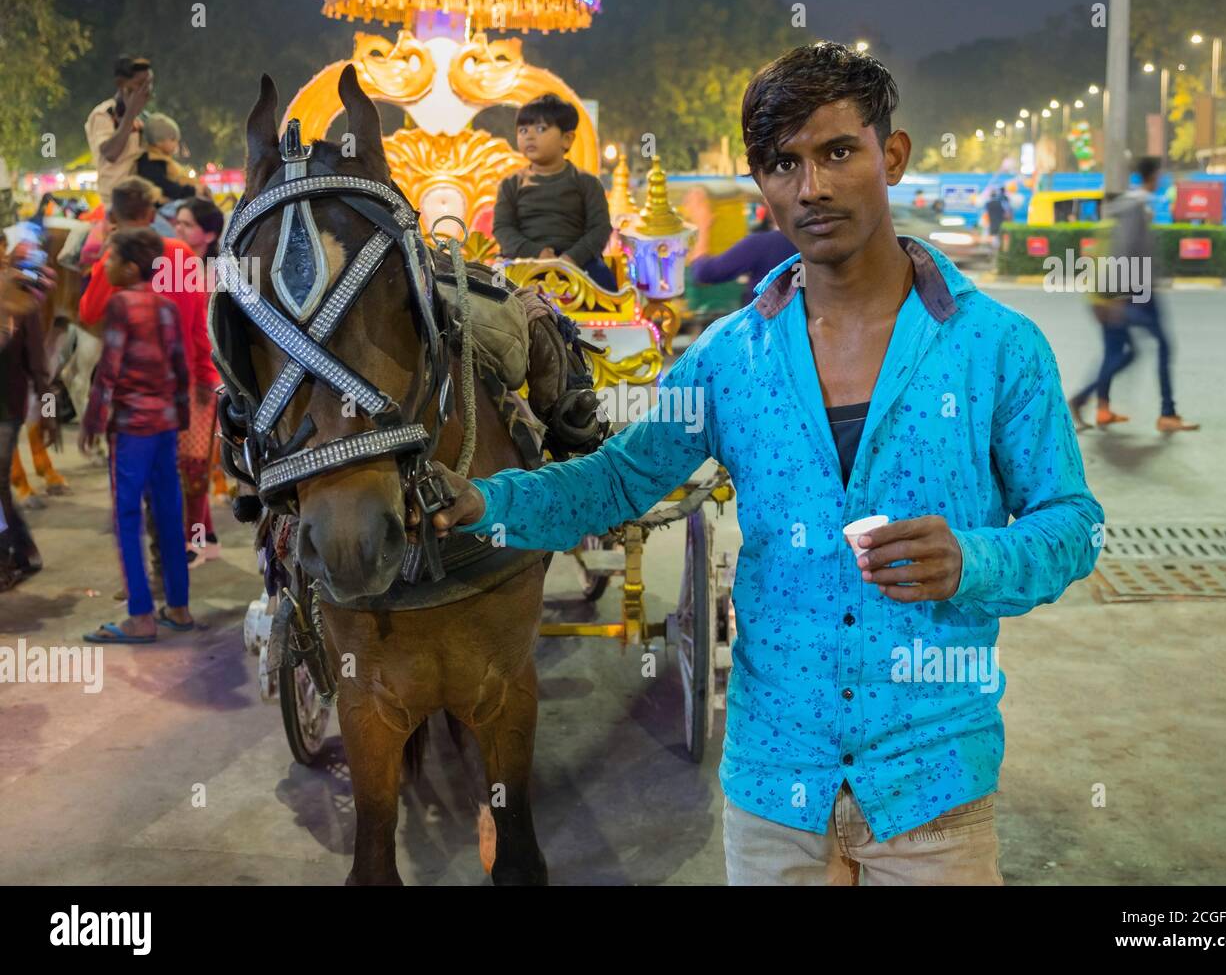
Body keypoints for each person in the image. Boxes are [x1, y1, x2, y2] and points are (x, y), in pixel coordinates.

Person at [430, 43, 1103, 885]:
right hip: (775, 789)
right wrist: (482, 503)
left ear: (891, 156)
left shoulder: (998, 349)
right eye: (783, 164)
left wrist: (975, 558)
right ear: (762, 187)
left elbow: (1072, 525)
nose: (811, 186)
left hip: (934, 786)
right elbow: (613, 482)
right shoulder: (728, 361)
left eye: (837, 152)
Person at [81, 179, 218, 564]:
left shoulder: (117, 263)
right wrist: (206, 378)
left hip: (132, 399)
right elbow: (200, 330)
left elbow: (88, 314)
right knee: (178, 479)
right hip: (184, 388)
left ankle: (147, 584)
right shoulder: (184, 255)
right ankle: (174, 572)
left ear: (114, 214)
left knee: (135, 491)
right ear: (150, 213)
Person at [80, 228, 196, 643]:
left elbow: (109, 370)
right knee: (169, 516)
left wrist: (92, 421)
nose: (104, 267)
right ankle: (179, 609)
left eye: (109, 260)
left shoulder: (120, 305)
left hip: (132, 430)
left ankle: (141, 617)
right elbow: (180, 364)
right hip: (165, 425)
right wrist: (180, 414)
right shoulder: (165, 306)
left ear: (129, 268)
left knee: (128, 519)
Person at [1070, 157, 1198, 433]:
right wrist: (1117, 296)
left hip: (1113, 293)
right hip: (1137, 292)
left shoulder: (1127, 206)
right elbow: (1125, 251)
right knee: (1163, 345)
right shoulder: (1136, 207)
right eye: (1161, 174)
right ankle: (1168, 414)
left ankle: (1095, 406)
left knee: (1118, 352)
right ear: (1153, 176)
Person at [493, 94, 616, 291]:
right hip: (521, 260)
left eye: (541, 129)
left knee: (607, 289)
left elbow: (599, 229)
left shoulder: (587, 183)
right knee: (491, 290)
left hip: (578, 262)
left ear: (567, 139)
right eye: (523, 130)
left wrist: (570, 258)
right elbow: (502, 228)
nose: (529, 136)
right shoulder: (510, 184)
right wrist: (537, 253)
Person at [170, 196, 226, 558]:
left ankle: (194, 538)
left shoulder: (222, 272)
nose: (177, 228)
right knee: (189, 460)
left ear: (208, 234)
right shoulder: (171, 266)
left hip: (208, 377)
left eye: (186, 224)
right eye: (176, 222)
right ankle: (204, 532)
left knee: (194, 461)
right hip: (182, 374)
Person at [0, 250, 58, 591]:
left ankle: (7, 559)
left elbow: (41, 369)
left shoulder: (22, 304)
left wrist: (48, 416)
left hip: (7, 413)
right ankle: (23, 551)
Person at [688, 206, 797, 307]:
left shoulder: (764, 243)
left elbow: (704, 272)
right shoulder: (809, 242)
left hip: (765, 325)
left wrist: (702, 224)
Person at [85, 57, 153, 198]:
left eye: (149, 84)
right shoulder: (104, 114)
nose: (146, 91)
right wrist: (131, 113)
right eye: (140, 84)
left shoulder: (144, 118)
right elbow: (111, 153)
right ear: (121, 84)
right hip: (114, 202)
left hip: (141, 200)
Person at [135, 114, 207, 203]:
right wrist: (192, 191)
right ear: (158, 141)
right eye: (172, 139)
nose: (176, 143)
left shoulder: (162, 158)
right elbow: (165, 186)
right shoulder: (152, 161)